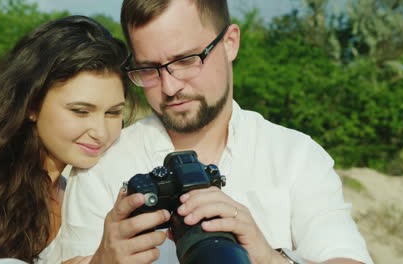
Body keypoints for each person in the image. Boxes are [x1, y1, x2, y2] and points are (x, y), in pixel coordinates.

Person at [62, 1, 374, 264]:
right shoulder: (105, 164)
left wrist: (266, 256)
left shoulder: (296, 156)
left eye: (185, 60)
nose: (170, 87)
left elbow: (344, 255)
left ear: (230, 43)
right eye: (149, 69)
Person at [0, 15, 133, 264]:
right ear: (31, 104)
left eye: (113, 113)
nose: (101, 132)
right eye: (80, 111)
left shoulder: (80, 203)